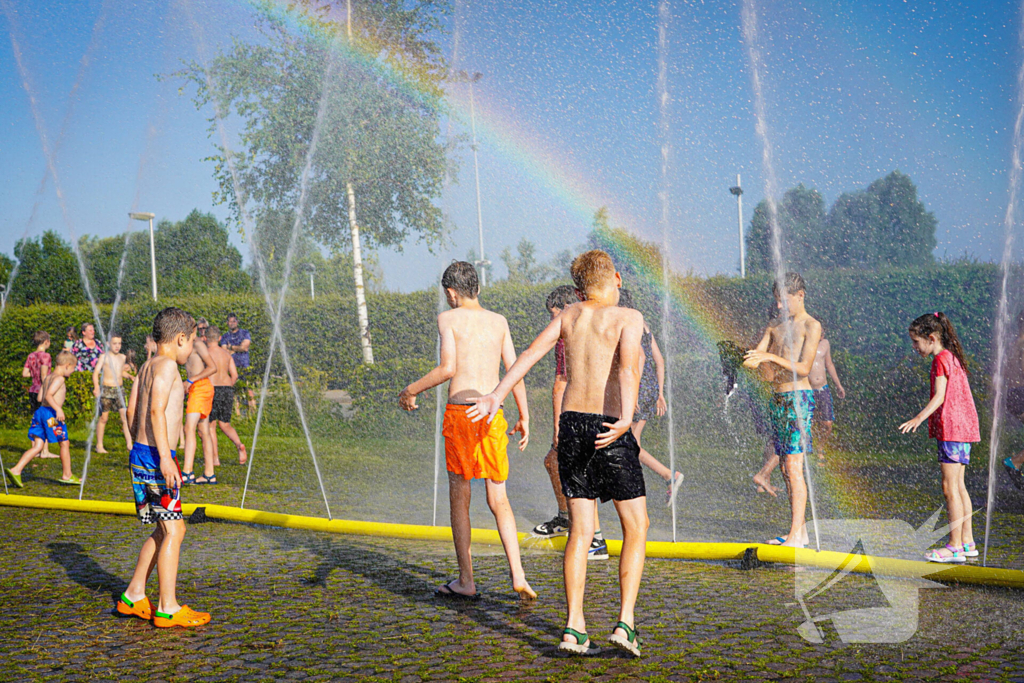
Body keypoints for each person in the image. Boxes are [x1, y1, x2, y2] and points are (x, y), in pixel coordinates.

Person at [468, 250, 647, 658]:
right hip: (607, 425)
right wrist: (625, 416)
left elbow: (530, 355)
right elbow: (627, 371)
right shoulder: (628, 318)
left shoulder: (567, 316)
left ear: (581, 286)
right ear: (616, 278)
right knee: (635, 524)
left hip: (571, 427)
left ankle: (574, 627)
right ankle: (625, 623)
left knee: (581, 530)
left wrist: (497, 395)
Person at [399, 261, 535, 601]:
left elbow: (448, 368)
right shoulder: (499, 321)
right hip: (492, 412)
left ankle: (466, 580)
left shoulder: (448, 318)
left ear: (451, 292)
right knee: (498, 497)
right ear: (477, 287)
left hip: (461, 412)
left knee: (460, 496)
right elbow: (513, 370)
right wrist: (525, 414)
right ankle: (518, 575)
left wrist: (411, 390)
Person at [118, 307, 210, 627]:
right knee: (176, 528)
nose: (191, 349)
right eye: (192, 342)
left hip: (143, 454)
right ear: (181, 338)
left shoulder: (147, 366)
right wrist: (167, 457)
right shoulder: (169, 365)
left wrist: (141, 448)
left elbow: (134, 414)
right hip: (158, 459)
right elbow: (156, 412)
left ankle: (133, 594)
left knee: (162, 527)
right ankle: (167, 607)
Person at [743, 272, 821, 549]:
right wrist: (744, 358)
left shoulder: (811, 326)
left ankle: (796, 535)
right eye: (776, 301)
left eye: (783, 300)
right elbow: (761, 368)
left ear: (799, 296)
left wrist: (770, 356)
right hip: (777, 400)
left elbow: (804, 368)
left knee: (793, 466)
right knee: (787, 471)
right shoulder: (773, 328)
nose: (778, 307)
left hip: (799, 400)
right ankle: (798, 532)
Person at [532, 285, 609, 560]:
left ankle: (595, 539)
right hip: (589, 414)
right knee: (556, 464)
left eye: (555, 316)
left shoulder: (568, 336)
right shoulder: (584, 330)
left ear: (568, 309)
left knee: (580, 474)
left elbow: (561, 383)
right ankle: (567, 519)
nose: (553, 323)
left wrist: (557, 427)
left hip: (578, 416)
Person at [899, 312, 980, 563]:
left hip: (952, 430)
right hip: (963, 429)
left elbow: (939, 397)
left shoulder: (940, 360)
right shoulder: (954, 357)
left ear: (931, 338)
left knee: (949, 488)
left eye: (916, 342)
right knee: (959, 487)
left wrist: (918, 418)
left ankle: (954, 546)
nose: (914, 347)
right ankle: (967, 542)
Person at [618, 289, 683, 505]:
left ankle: (667, 475)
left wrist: (633, 391)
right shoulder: (644, 325)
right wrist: (659, 393)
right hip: (649, 388)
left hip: (637, 387)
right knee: (631, 441)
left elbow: (642, 357)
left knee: (629, 443)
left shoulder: (628, 324)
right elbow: (660, 361)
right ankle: (640, 484)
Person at [5, 350, 81, 488]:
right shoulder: (59, 379)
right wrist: (58, 408)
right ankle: (67, 475)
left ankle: (16, 469)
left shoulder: (47, 378)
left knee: (38, 446)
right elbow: (48, 396)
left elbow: (40, 398)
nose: (73, 372)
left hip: (40, 413)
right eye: (73, 368)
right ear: (67, 365)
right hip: (51, 416)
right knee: (64, 442)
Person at [181, 318, 218, 485]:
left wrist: (190, 380)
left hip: (201, 387)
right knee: (203, 431)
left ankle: (187, 472)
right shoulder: (187, 344)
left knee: (189, 428)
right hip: (197, 388)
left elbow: (212, 367)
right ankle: (209, 474)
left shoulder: (198, 344)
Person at [207, 325, 247, 468]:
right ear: (219, 338)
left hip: (212, 389)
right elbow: (234, 375)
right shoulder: (226, 354)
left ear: (205, 338)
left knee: (211, 426)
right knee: (225, 424)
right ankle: (239, 444)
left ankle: (215, 459)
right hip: (226, 389)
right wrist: (228, 387)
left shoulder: (205, 353)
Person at [809, 325, 846, 463]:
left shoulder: (825, 344)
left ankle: (820, 447)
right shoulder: (804, 343)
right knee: (808, 422)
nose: (822, 336)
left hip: (823, 388)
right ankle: (809, 449)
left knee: (827, 423)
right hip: (807, 389)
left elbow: (829, 364)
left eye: (823, 333)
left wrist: (838, 385)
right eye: (819, 333)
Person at [92, 334, 134, 454]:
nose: (117, 346)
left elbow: (119, 372)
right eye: (114, 343)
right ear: (108, 344)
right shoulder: (104, 357)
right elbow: (95, 373)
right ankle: (99, 445)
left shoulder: (122, 357)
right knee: (104, 418)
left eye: (119, 343)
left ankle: (129, 444)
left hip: (119, 390)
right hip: (106, 389)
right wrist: (96, 387)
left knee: (125, 417)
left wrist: (130, 376)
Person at [1002, 311, 1024, 487]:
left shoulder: (1015, 342)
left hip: (1014, 395)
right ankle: (1014, 461)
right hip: (1021, 394)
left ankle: (1015, 461)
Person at [220, 313, 256, 414]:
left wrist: (231, 348)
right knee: (234, 392)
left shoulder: (245, 333)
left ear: (237, 322)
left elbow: (245, 347)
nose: (232, 323)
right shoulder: (225, 336)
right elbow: (224, 351)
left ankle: (253, 412)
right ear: (227, 323)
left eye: (234, 321)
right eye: (230, 321)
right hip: (232, 367)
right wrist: (238, 348)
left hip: (244, 366)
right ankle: (237, 415)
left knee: (248, 389)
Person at [23, 331, 52, 414]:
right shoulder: (46, 356)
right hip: (42, 389)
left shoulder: (31, 355)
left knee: (36, 415)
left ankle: (36, 427)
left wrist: (35, 373)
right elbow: (43, 375)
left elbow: (24, 374)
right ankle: (54, 427)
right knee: (48, 413)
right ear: (46, 341)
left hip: (33, 390)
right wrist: (47, 390)